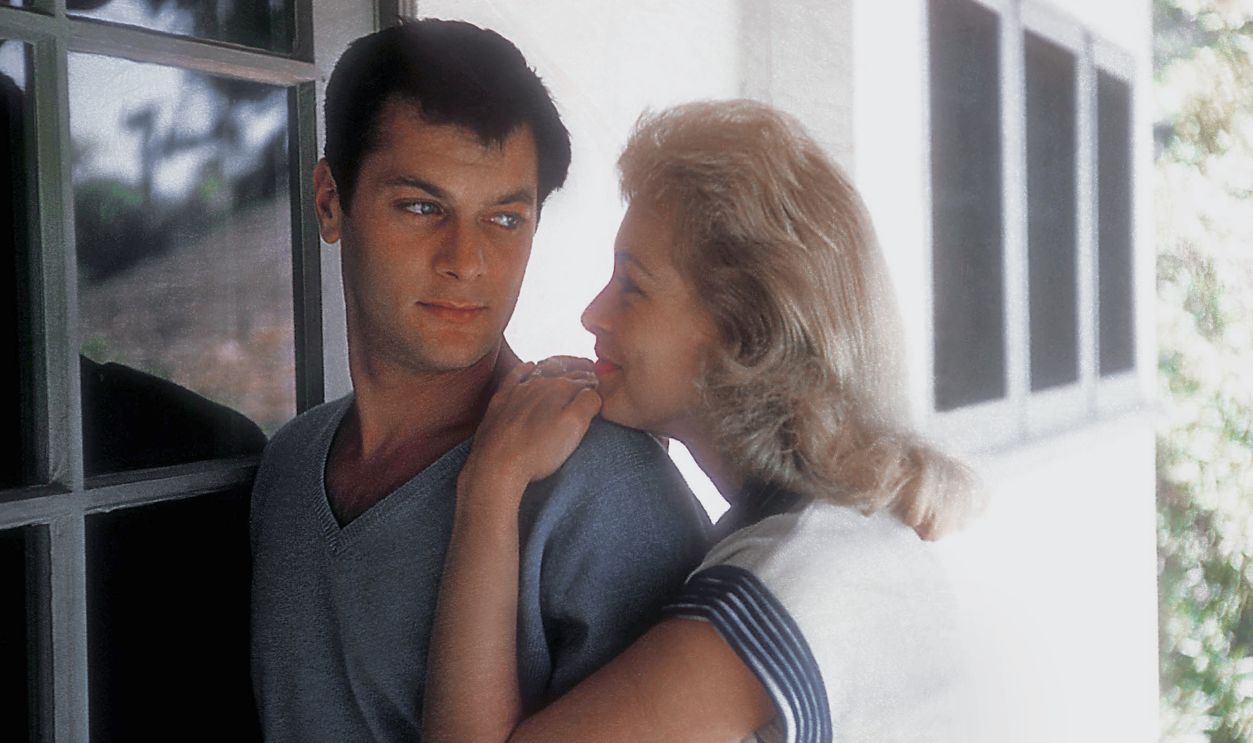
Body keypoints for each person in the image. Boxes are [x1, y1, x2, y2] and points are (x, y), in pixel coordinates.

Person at [423, 100, 986, 742]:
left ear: (743, 329)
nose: (593, 314)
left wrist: (491, 484)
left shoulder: (795, 582)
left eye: (632, 287)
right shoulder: (850, 537)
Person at [248, 20, 711, 742]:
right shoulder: (286, 469)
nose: (466, 260)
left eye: (504, 217)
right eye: (422, 207)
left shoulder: (603, 486)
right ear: (330, 201)